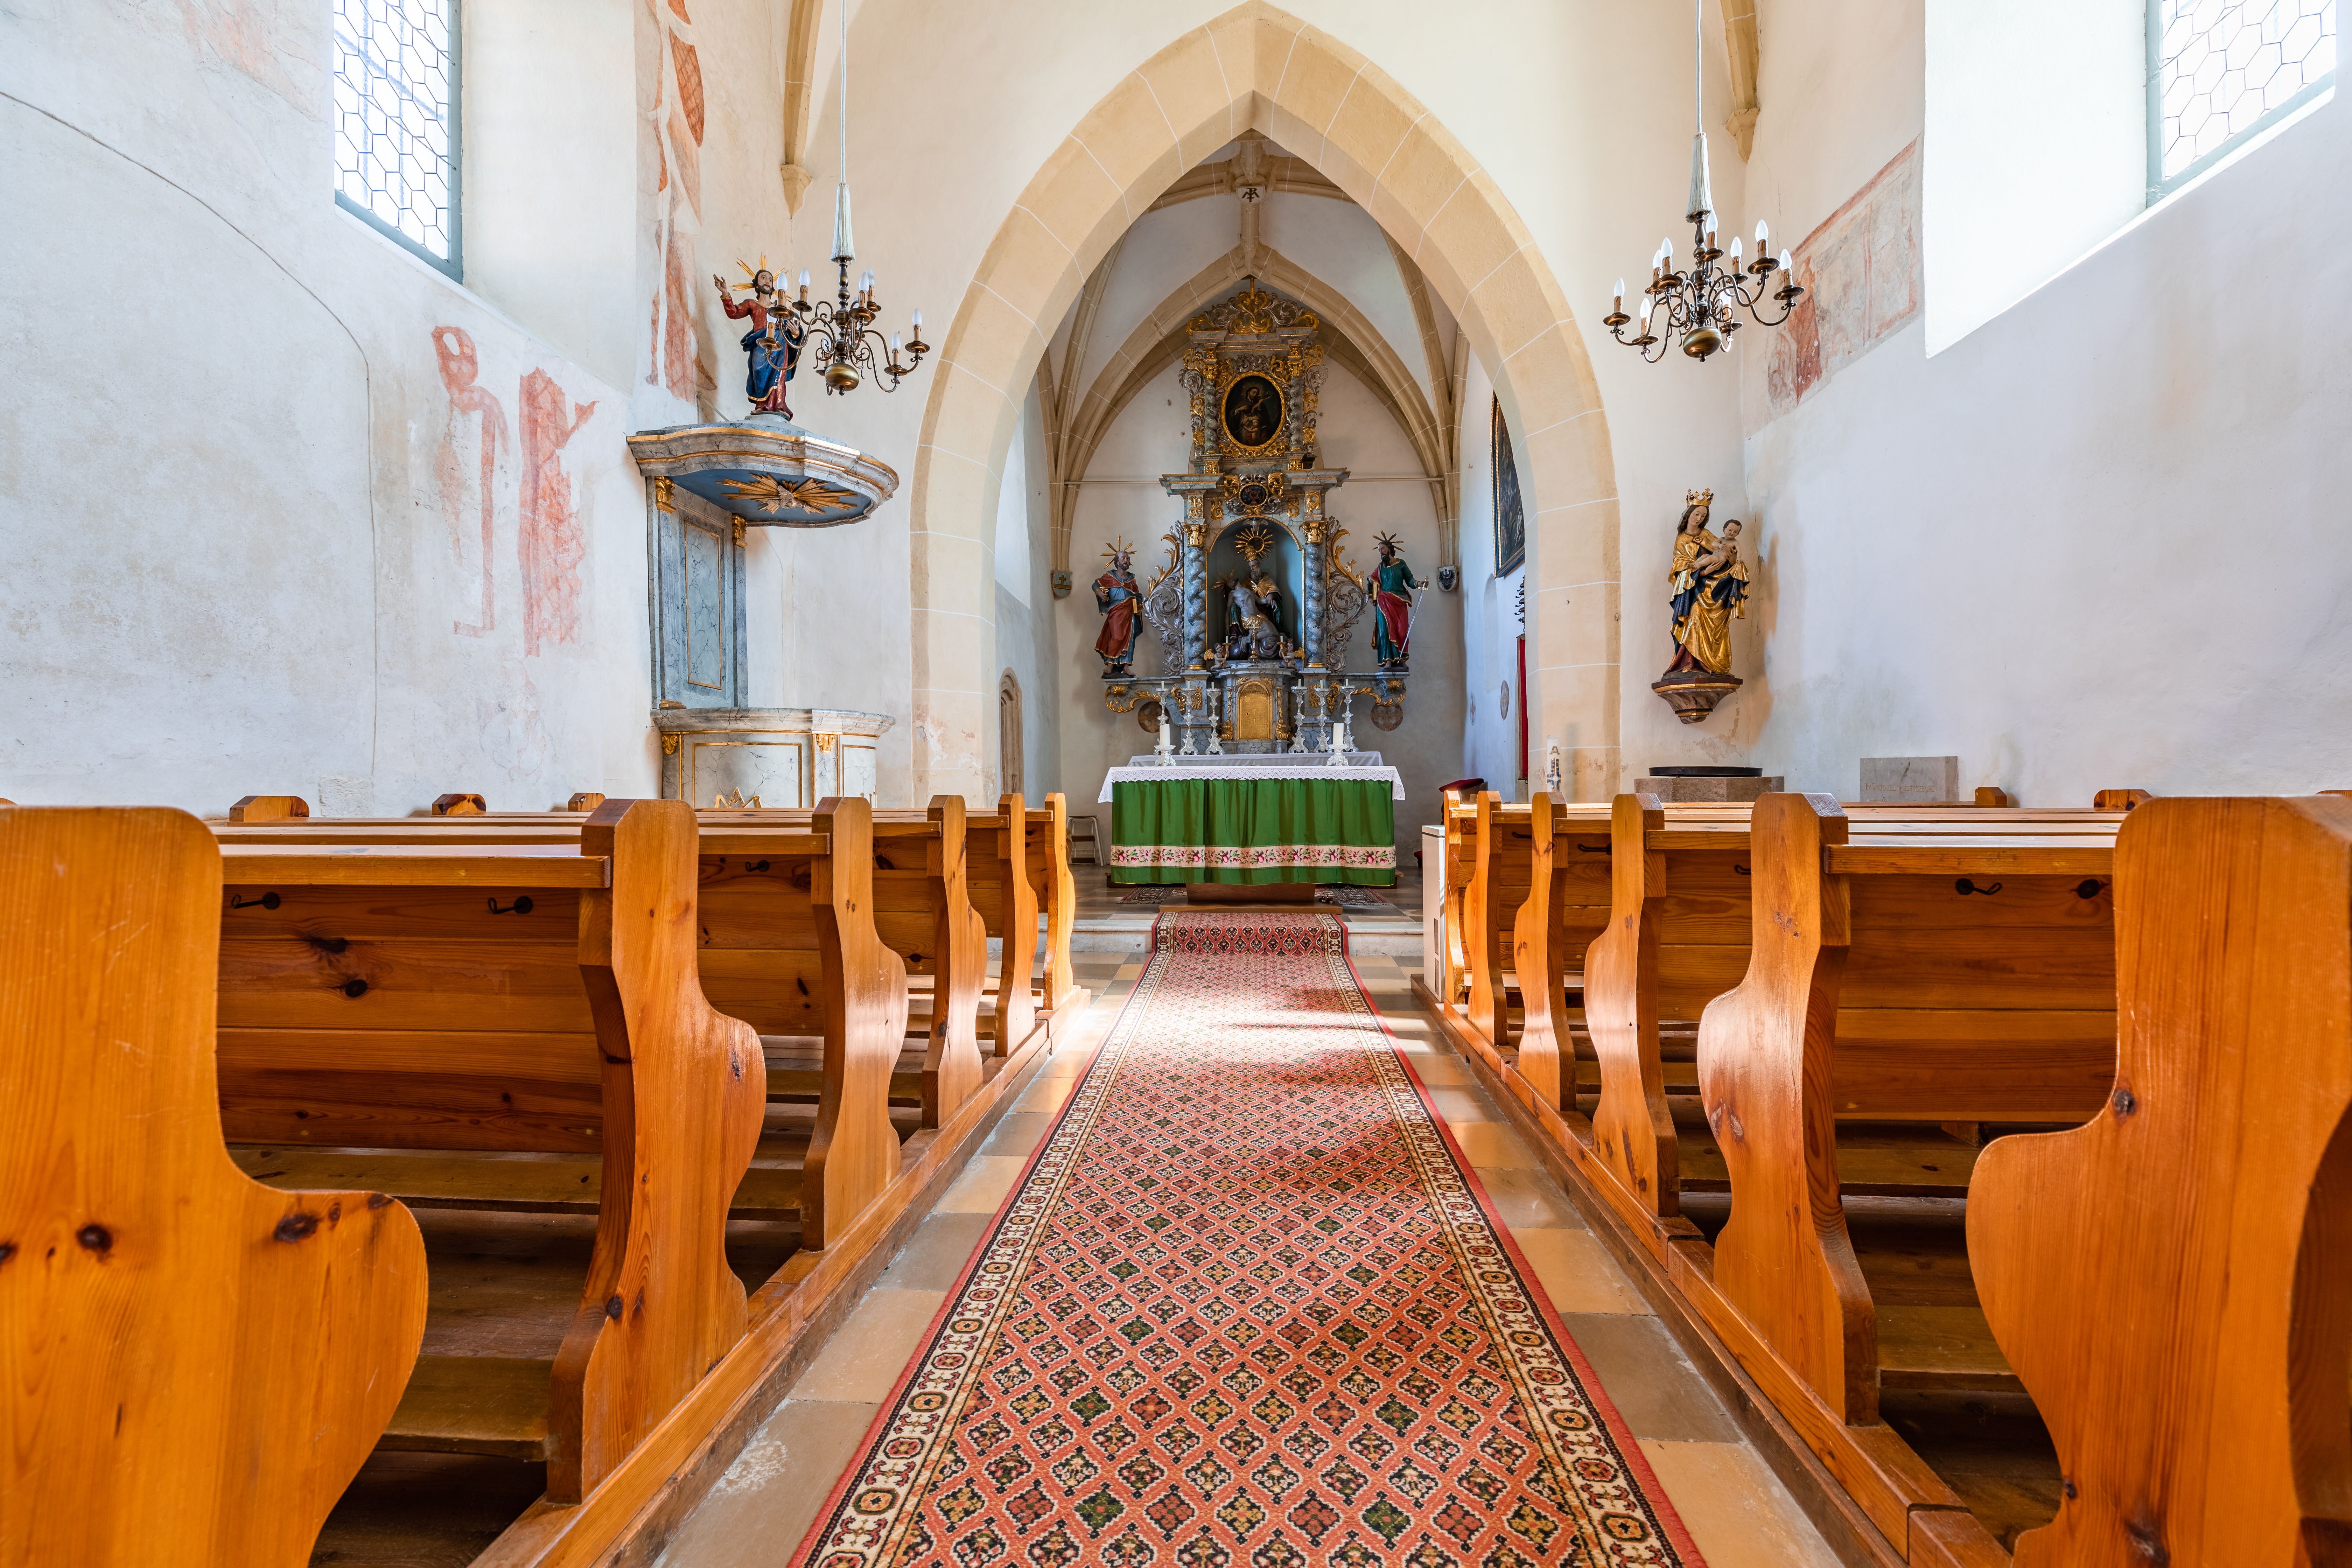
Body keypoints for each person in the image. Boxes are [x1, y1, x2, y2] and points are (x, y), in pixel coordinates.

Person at [1665, 492, 1749, 674]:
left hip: (1715, 588)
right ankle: (1689, 664)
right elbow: (1678, 568)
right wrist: (1703, 572)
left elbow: (1725, 552)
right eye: (1696, 514)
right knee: (1692, 618)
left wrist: (1731, 558)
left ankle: (1712, 666)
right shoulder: (1681, 540)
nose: (1699, 518)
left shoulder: (1706, 534)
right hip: (1694, 591)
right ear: (1688, 515)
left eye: (1703, 516)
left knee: (1717, 624)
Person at [714, 268, 805, 419]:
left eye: (770, 279)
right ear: (757, 284)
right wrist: (725, 293)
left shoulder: (780, 308)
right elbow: (734, 313)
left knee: (779, 373)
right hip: (760, 344)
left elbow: (795, 329)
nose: (768, 281)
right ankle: (762, 405)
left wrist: (796, 333)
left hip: (780, 344)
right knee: (759, 371)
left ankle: (779, 405)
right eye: (763, 278)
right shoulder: (752, 304)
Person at [1371, 535, 1419, 667]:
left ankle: (1401, 659)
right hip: (1384, 601)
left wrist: (1419, 584)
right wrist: (1372, 595)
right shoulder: (1381, 568)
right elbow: (1372, 580)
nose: (1381, 552)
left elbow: (1410, 580)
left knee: (1402, 630)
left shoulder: (1401, 564)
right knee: (1385, 632)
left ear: (1390, 549)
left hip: (1399, 600)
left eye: (1383, 549)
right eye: (1379, 550)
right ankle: (1388, 660)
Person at [1093, 546, 1140, 674]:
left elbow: (1137, 595)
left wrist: (1139, 607)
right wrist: (1099, 593)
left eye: (1128, 558)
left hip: (1130, 613)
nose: (1126, 560)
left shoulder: (1132, 578)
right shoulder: (1110, 577)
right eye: (1123, 558)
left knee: (1129, 639)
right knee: (1116, 637)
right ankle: (1110, 664)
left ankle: (1126, 667)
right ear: (1117, 561)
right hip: (1116, 611)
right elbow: (1095, 585)